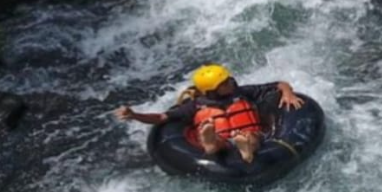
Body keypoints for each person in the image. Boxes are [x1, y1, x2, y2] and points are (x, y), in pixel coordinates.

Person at [114, 64, 305, 163]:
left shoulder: (242, 93)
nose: (231, 82)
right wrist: (135, 115)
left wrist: (287, 93)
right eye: (224, 83)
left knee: (250, 136)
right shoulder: (195, 106)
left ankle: (246, 149)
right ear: (213, 90)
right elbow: (162, 118)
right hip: (221, 138)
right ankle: (210, 141)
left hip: (249, 134)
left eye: (229, 79)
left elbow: (279, 85)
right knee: (219, 142)